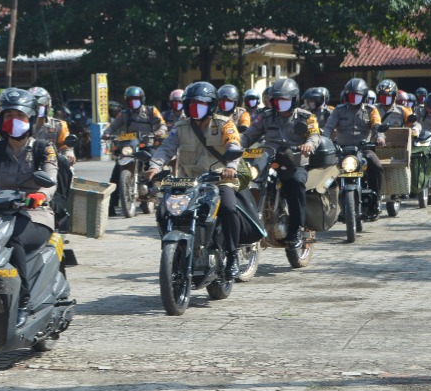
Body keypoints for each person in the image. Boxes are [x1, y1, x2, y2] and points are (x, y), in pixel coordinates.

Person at [0, 88, 58, 326]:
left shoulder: (43, 149)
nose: (13, 122)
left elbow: (51, 180)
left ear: (30, 119)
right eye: (8, 116)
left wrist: (39, 195)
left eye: (19, 116)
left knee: (13, 239)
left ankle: (23, 299)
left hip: (35, 216)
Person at [145, 82, 243, 279]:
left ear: (212, 105)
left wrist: (231, 168)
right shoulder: (180, 127)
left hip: (217, 180)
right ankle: (175, 251)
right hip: (187, 183)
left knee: (229, 208)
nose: (195, 108)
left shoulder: (225, 124)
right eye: (191, 104)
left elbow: (233, 144)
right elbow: (166, 148)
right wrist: (155, 165)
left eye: (201, 104)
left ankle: (232, 255)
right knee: (164, 211)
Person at [240, 78, 321, 249]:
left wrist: (309, 145)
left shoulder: (306, 117)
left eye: (284, 100)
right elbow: (249, 135)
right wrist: (235, 145)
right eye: (277, 100)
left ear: (294, 99)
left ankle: (296, 229)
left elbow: (315, 135)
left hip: (294, 162)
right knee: (249, 180)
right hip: (269, 159)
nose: (280, 103)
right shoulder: (266, 116)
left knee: (296, 184)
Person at [104, 85, 166, 215]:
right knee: (116, 172)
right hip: (130, 146)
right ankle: (111, 205)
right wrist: (107, 133)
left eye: (136, 99)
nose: (133, 102)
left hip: (147, 144)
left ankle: (153, 189)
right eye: (130, 100)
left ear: (142, 99)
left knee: (153, 161)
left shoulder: (151, 110)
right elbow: (113, 126)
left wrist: (160, 132)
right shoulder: (125, 114)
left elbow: (162, 124)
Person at [323, 78, 385, 205]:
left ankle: (376, 198)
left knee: (376, 165)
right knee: (327, 168)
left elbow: (377, 126)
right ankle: (330, 201)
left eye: (357, 95)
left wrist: (379, 137)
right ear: (346, 95)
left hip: (363, 149)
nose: (354, 98)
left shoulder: (371, 110)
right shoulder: (338, 110)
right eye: (351, 95)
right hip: (341, 150)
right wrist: (323, 139)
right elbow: (329, 127)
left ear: (364, 96)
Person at [28, 86, 76, 164]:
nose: (37, 109)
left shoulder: (59, 125)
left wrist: (69, 154)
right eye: (33, 106)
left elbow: (66, 147)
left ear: (48, 106)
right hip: (27, 164)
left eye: (40, 105)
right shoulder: (22, 125)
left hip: (52, 163)